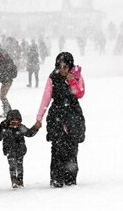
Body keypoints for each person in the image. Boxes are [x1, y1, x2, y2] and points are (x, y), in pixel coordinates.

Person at [35, 52, 86, 188]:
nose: (63, 70)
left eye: (66, 66)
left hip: (73, 116)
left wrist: (71, 80)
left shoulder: (77, 76)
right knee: (57, 148)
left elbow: (79, 93)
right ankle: (56, 179)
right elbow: (46, 99)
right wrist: (39, 117)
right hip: (56, 117)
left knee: (72, 148)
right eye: (60, 66)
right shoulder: (52, 78)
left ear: (70, 66)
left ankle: (70, 178)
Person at [0, 109, 40, 188]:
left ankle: (20, 180)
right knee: (12, 165)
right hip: (9, 149)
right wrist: (2, 131)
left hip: (20, 148)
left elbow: (29, 133)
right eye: (13, 122)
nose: (15, 124)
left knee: (20, 164)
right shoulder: (4, 126)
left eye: (17, 122)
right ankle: (13, 179)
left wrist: (36, 127)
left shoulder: (20, 127)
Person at [0, 43, 17, 116]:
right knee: (3, 97)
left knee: (2, 97)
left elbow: (4, 73)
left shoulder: (5, 63)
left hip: (7, 81)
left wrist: (3, 76)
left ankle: (7, 112)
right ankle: (9, 111)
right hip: (6, 81)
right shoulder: (3, 62)